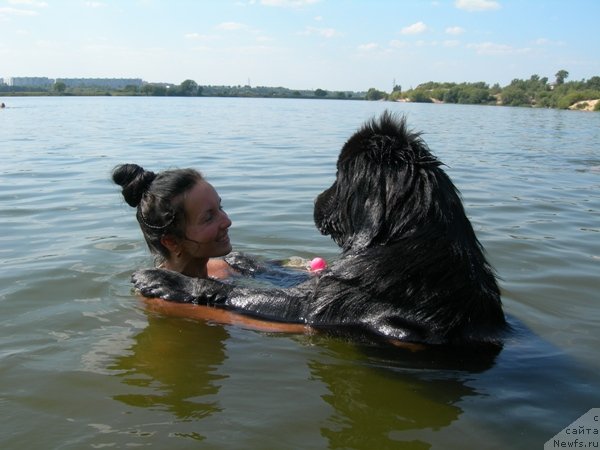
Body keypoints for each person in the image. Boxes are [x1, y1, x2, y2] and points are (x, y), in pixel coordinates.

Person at [112, 164, 234, 280]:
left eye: (220, 207)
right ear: (172, 242)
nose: (227, 221)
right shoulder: (161, 301)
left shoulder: (226, 268)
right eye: (208, 218)